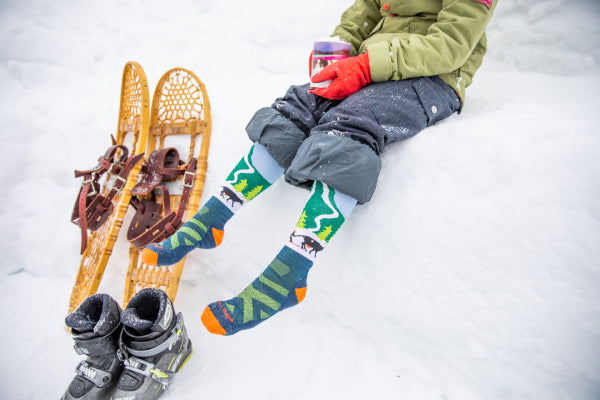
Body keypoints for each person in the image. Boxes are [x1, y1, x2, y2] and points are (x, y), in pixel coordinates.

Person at [141, 0, 497, 336]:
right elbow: (363, 14)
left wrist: (365, 66)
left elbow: (450, 45)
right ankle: (210, 222)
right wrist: (337, 52)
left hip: (432, 78)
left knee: (351, 124)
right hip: (374, 67)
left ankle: (291, 273)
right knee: (297, 108)